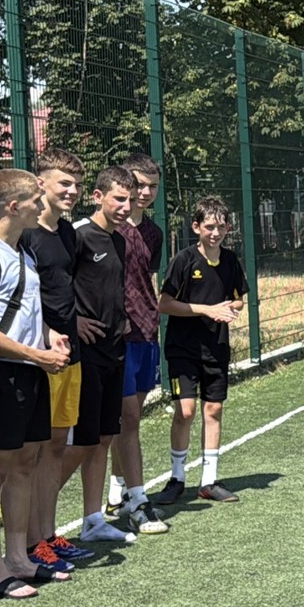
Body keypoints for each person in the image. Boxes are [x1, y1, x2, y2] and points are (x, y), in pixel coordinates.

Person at [0, 169, 70, 600]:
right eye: (36, 199)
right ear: (13, 206)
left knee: (26, 462)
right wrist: (35, 354)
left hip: (30, 370)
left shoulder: (23, 250)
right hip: (2, 373)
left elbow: (25, 313)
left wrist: (49, 337)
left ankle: (19, 557)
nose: (42, 205)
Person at [70, 167, 157, 539]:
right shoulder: (76, 235)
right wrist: (72, 321)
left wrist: (120, 319)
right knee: (74, 445)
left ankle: (95, 519)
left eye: (130, 198)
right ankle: (36, 531)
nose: (127, 205)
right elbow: (53, 286)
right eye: (119, 198)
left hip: (117, 349)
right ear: (98, 196)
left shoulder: (123, 240)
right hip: (84, 353)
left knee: (105, 437)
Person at [24, 147, 97, 564]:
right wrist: (46, 336)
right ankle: (31, 541)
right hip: (40, 356)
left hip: (72, 354)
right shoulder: (26, 235)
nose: (72, 190)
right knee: (34, 452)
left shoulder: (68, 233)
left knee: (56, 446)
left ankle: (49, 535)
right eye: (64, 183)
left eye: (77, 184)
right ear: (41, 184)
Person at [157, 196, 247, 503]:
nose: (215, 233)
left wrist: (230, 308)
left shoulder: (230, 260)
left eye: (221, 227)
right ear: (196, 227)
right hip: (182, 348)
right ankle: (176, 478)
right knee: (186, 410)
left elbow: (239, 299)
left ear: (228, 228)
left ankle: (209, 481)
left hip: (216, 347)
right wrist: (206, 309)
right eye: (209, 226)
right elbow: (164, 303)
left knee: (214, 409)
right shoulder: (183, 260)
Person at [108, 152, 168, 526]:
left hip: (147, 332)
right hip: (119, 336)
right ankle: (135, 497)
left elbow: (148, 280)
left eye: (152, 187)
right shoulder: (106, 229)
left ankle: (117, 492)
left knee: (131, 419)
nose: (145, 193)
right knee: (127, 418)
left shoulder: (154, 233)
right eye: (139, 185)